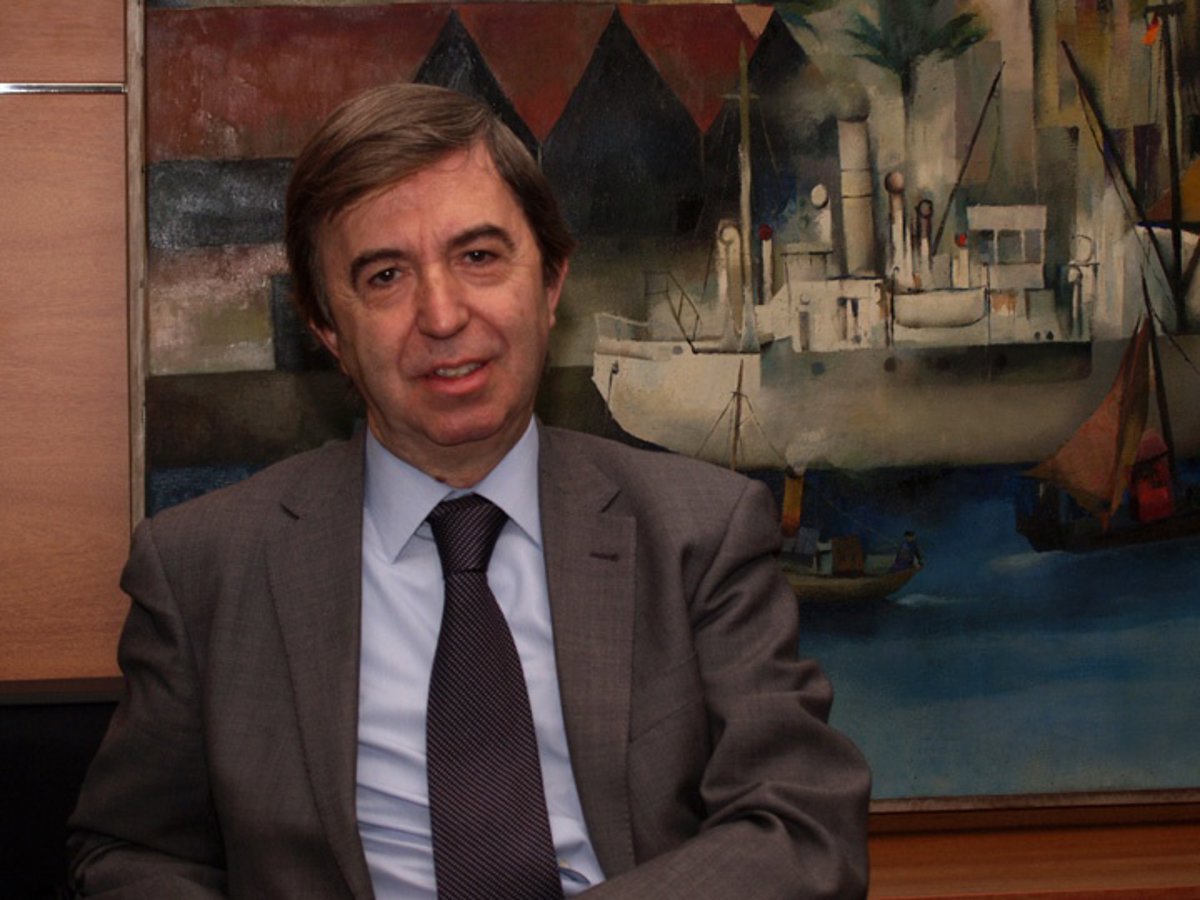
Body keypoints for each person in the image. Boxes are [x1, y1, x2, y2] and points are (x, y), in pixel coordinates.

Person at [67, 83, 870, 898]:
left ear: (550, 283)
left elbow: (800, 826)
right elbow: (131, 857)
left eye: (479, 257)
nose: (443, 315)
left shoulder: (700, 533)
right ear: (328, 329)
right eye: (385, 275)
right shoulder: (203, 567)